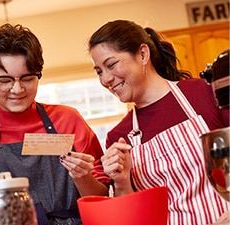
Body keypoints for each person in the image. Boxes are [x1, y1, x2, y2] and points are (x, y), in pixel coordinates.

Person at [0, 23, 110, 225]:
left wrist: (83, 177)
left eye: (27, 78)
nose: (17, 89)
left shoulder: (68, 120)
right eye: (5, 80)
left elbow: (102, 198)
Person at [88, 19, 230, 225]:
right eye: (99, 71)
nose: (105, 79)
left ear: (143, 55)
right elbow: (134, 217)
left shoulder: (203, 93)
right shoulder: (119, 137)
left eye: (111, 65)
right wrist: (121, 182)